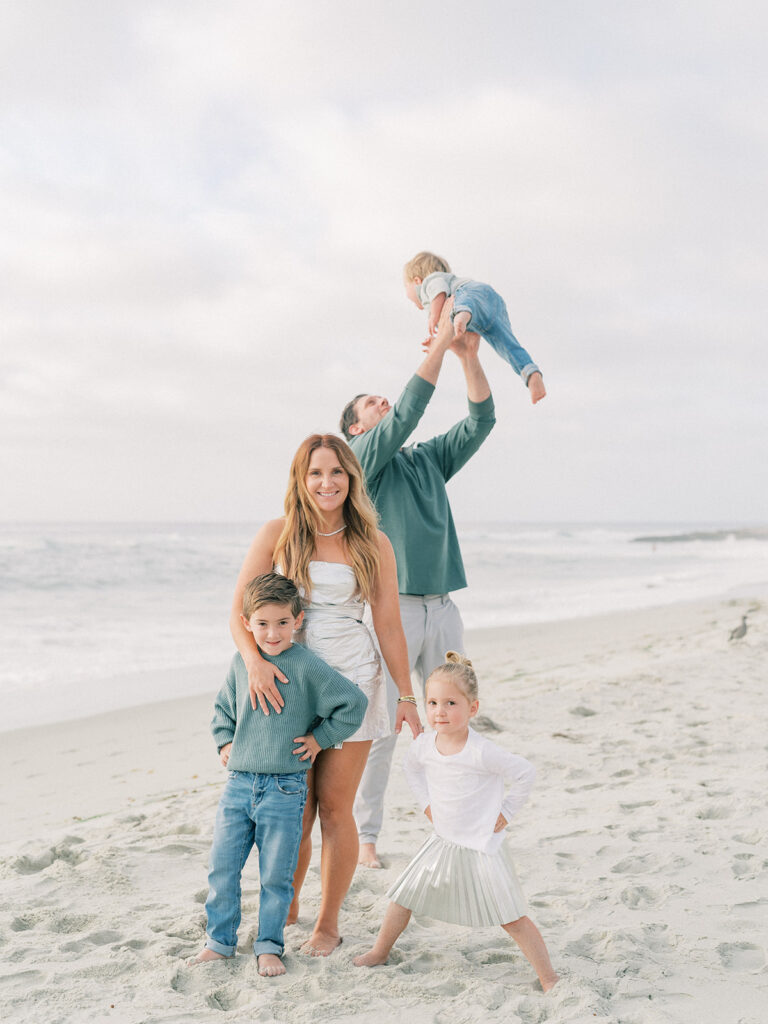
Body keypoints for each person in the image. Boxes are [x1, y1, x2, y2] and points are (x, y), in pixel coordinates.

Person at [230, 435, 422, 957]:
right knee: (293, 809)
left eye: (336, 472)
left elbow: (388, 623)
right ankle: (285, 907)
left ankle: (328, 923)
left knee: (336, 809)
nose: (326, 483)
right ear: (301, 479)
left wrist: (407, 694)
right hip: (287, 685)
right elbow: (239, 613)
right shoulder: (278, 534)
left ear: (351, 479)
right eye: (315, 473)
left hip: (353, 681)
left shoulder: (372, 543)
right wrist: (254, 665)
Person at [339, 302, 494, 869]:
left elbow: (481, 422)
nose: (384, 404)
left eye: (384, 396)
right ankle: (368, 837)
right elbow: (405, 412)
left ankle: (459, 822)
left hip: (444, 607)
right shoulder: (359, 463)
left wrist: (469, 357)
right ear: (356, 428)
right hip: (394, 610)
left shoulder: (425, 460)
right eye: (371, 404)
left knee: (452, 714)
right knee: (385, 725)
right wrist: (440, 345)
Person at [189, 573, 368, 977]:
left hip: (286, 788)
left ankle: (269, 945)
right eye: (263, 624)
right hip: (238, 785)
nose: (273, 633)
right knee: (222, 868)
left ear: (298, 621)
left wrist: (320, 739)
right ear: (247, 622)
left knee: (276, 875)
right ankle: (219, 941)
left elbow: (353, 704)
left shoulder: (306, 666)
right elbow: (222, 711)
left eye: (282, 623)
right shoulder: (241, 663)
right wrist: (223, 743)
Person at [353, 652, 558, 993]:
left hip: (481, 846)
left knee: (511, 916)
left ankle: (548, 977)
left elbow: (525, 773)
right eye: (432, 703)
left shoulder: (481, 751)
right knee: (403, 896)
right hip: (442, 841)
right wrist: (427, 805)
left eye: (450, 703)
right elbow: (411, 769)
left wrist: (505, 813)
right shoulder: (424, 745)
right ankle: (380, 950)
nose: (440, 711)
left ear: (472, 708)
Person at [403, 250, 547, 404]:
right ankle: (530, 373)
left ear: (417, 280)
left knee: (459, 304)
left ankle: (464, 312)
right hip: (490, 305)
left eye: (406, 286)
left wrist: (433, 316)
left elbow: (439, 290)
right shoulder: (444, 297)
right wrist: (439, 344)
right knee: (506, 344)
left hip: (470, 295)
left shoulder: (430, 282)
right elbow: (451, 332)